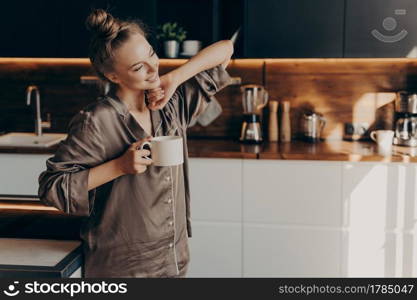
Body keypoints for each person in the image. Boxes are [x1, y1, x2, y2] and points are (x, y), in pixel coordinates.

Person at [37, 8, 233, 278]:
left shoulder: (171, 104)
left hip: (173, 259)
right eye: (138, 67)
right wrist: (119, 166)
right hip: (121, 267)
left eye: (152, 54)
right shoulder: (97, 121)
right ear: (114, 76)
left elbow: (225, 50)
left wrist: (175, 77)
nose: (153, 68)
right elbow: (52, 188)